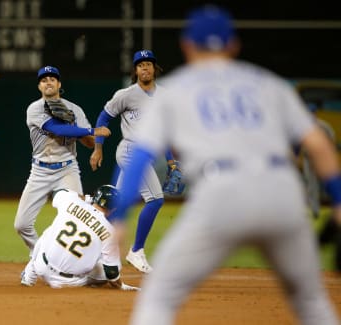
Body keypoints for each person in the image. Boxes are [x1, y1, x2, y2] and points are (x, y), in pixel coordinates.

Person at [114, 5, 341, 325]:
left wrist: (121, 215)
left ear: (187, 46)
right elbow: (318, 144)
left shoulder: (174, 91)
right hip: (282, 192)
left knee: (159, 298)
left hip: (222, 193)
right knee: (311, 301)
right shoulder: (270, 84)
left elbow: (138, 155)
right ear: (234, 45)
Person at [90, 49, 182, 273]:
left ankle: (90, 252)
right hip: (130, 151)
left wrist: (171, 162)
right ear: (135, 70)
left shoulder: (164, 96)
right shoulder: (126, 94)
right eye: (140, 65)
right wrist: (98, 148)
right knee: (156, 199)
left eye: (148, 64)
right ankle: (136, 251)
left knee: (115, 206)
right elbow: (104, 117)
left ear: (154, 68)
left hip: (146, 154)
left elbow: (164, 133)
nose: (145, 68)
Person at [14, 66, 111, 256]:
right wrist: (91, 130)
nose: (48, 82)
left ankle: (91, 262)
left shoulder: (75, 109)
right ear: (39, 87)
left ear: (59, 84)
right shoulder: (35, 108)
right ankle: (41, 256)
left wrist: (84, 134)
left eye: (52, 79)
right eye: (44, 80)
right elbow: (57, 129)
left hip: (67, 170)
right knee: (22, 224)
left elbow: (90, 143)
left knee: (79, 220)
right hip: (40, 171)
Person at [20, 184, 139, 291]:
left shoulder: (71, 201)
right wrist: (121, 286)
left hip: (42, 266)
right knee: (107, 263)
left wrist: (87, 199)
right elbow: (111, 273)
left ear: (95, 197)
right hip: (67, 283)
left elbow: (59, 192)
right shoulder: (109, 231)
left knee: (49, 232)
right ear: (114, 208)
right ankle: (88, 286)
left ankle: (30, 272)